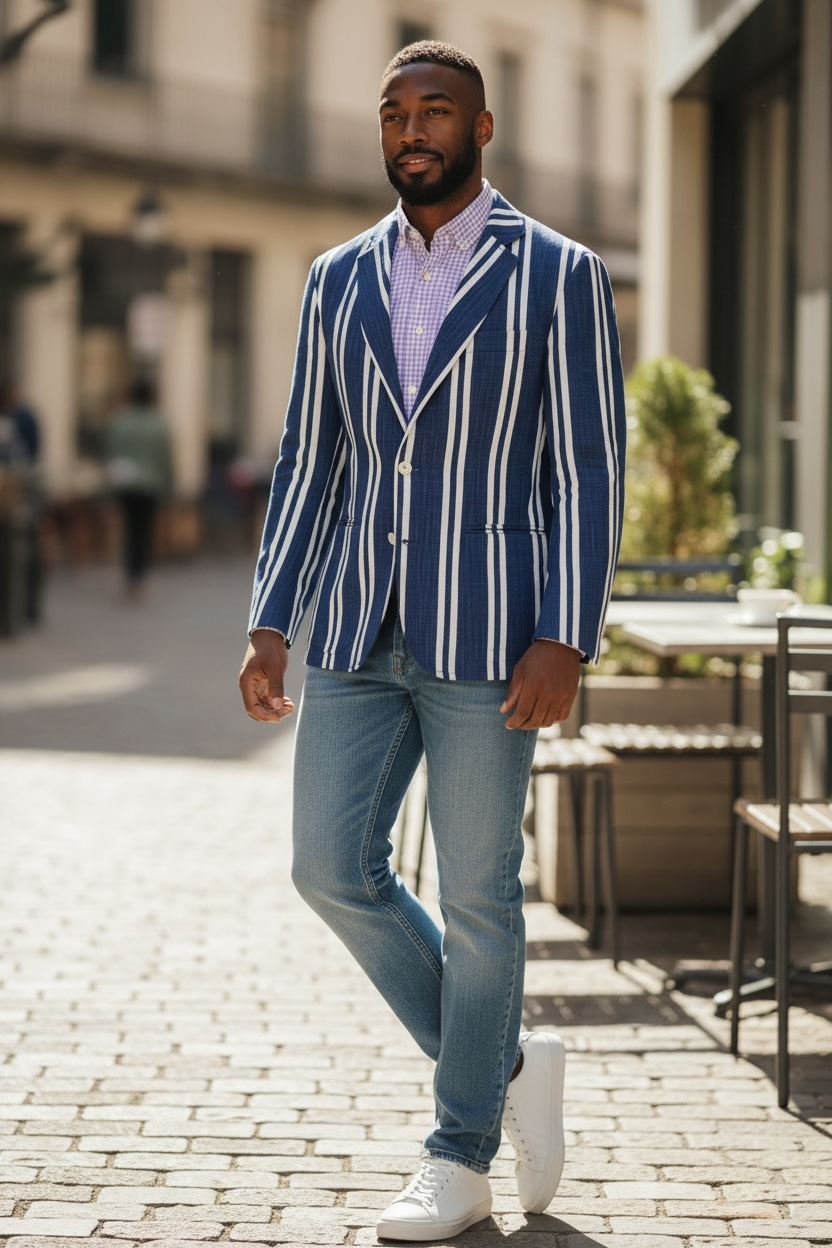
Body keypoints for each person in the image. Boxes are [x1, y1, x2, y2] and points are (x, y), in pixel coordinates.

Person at [239, 41, 625, 1242]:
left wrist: (565, 632)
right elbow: (314, 454)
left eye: (437, 110)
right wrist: (269, 617)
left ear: (483, 126)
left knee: (479, 899)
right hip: (357, 624)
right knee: (328, 867)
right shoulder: (335, 277)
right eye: (395, 112)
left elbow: (589, 468)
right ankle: (506, 1064)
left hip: (494, 635)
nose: (413, 129)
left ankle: (457, 1154)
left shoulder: (557, 275)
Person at [106, 378, 173, 600]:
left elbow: (110, 451)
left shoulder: (121, 420)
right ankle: (139, 577)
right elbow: (166, 458)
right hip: (150, 485)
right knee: (143, 531)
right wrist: (170, 487)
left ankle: (129, 575)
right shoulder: (158, 423)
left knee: (129, 530)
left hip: (125, 484)